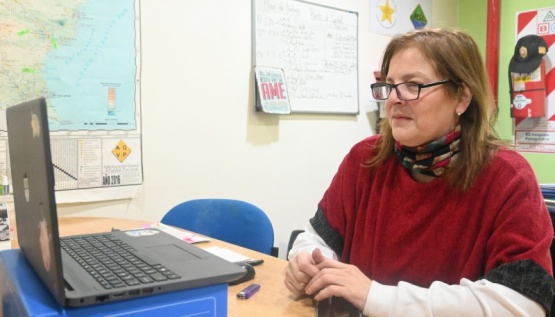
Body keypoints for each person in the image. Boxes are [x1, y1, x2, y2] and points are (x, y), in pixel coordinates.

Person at [284, 28, 554, 316]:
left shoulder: (509, 177)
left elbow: (523, 304)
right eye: (389, 85)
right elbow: (316, 237)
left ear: (462, 97)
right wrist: (308, 261)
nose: (393, 100)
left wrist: (376, 297)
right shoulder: (365, 158)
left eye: (413, 85)